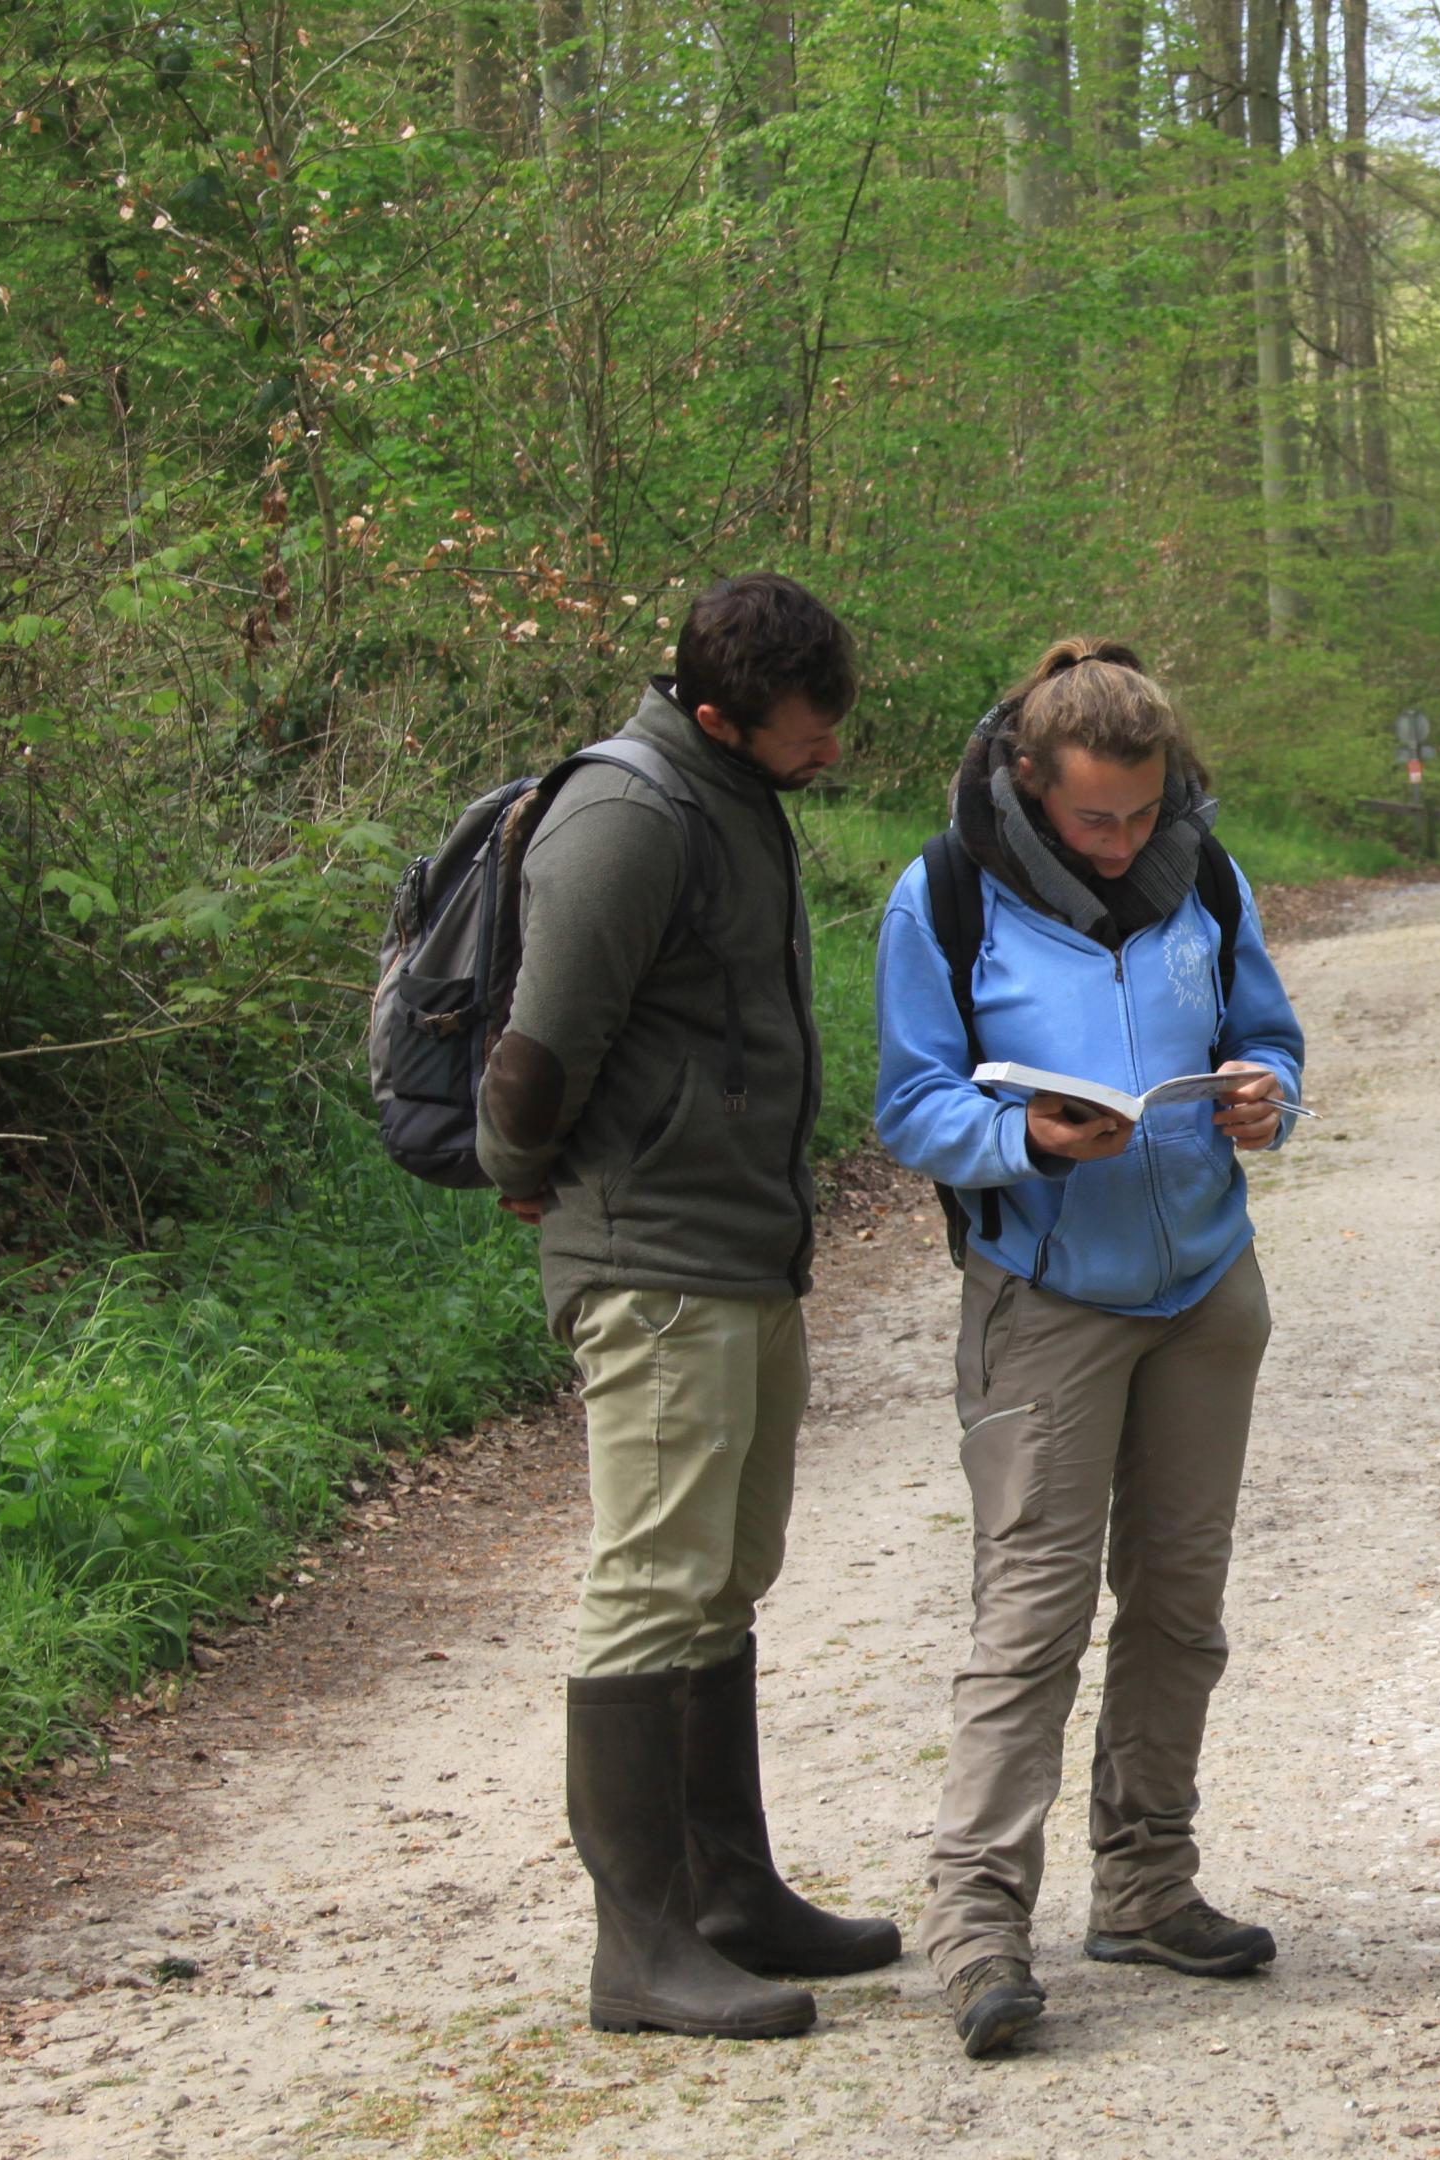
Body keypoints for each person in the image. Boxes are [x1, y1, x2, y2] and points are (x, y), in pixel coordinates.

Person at [477, 573, 900, 2040]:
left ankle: (732, 1894)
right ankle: (641, 1946)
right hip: (651, 1256)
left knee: (726, 1570)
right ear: (720, 713)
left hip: (741, 1250)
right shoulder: (629, 814)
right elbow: (542, 1047)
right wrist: (523, 1177)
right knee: (651, 1581)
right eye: (805, 731)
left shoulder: (730, 789)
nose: (828, 751)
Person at [874, 638, 1305, 2060]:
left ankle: (1148, 1887)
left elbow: (1269, 1031)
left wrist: (1265, 1094)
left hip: (1204, 1287)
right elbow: (911, 1106)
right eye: (1092, 819)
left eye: (1143, 810)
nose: (1121, 842)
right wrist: (1024, 1140)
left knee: (1180, 1606)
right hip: (1043, 1293)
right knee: (1032, 1621)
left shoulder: (1208, 874)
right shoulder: (943, 896)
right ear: (1027, 785)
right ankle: (980, 1928)